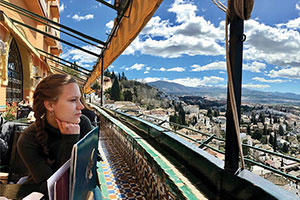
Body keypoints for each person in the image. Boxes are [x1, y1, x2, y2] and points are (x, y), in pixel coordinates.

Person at [17, 74, 93, 196]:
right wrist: (70, 141)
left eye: (80, 99)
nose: (81, 106)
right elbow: (54, 190)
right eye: (73, 100)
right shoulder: (28, 140)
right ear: (50, 105)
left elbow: (86, 173)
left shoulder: (83, 123)